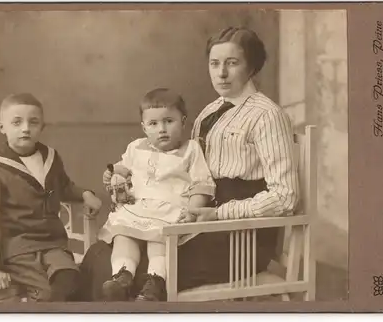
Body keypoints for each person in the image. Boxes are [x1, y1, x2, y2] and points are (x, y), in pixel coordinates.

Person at [80, 26, 299, 300]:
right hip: (197, 219)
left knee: (143, 273)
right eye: (214, 63)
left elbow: (285, 197)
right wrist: (130, 182)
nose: (221, 73)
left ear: (252, 66)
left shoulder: (267, 115)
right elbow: (184, 171)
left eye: (232, 63)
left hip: (240, 235)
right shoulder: (209, 112)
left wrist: (219, 214)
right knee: (102, 255)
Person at [0, 93, 102, 302]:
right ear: (1, 127)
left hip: (52, 242)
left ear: (42, 126)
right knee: (48, 293)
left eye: (33, 122)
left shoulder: (50, 156)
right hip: (17, 249)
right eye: (16, 122)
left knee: (71, 279)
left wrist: (85, 194)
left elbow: (63, 186)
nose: (25, 128)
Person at [97, 88, 215, 301]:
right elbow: (124, 167)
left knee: (159, 241)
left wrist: (192, 210)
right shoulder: (136, 147)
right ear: (144, 127)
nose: (162, 129)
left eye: (169, 121)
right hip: (137, 207)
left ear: (183, 121)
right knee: (123, 235)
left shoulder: (191, 150)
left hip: (169, 210)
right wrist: (113, 173)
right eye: (153, 124)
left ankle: (155, 281)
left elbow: (201, 184)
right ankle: (122, 277)